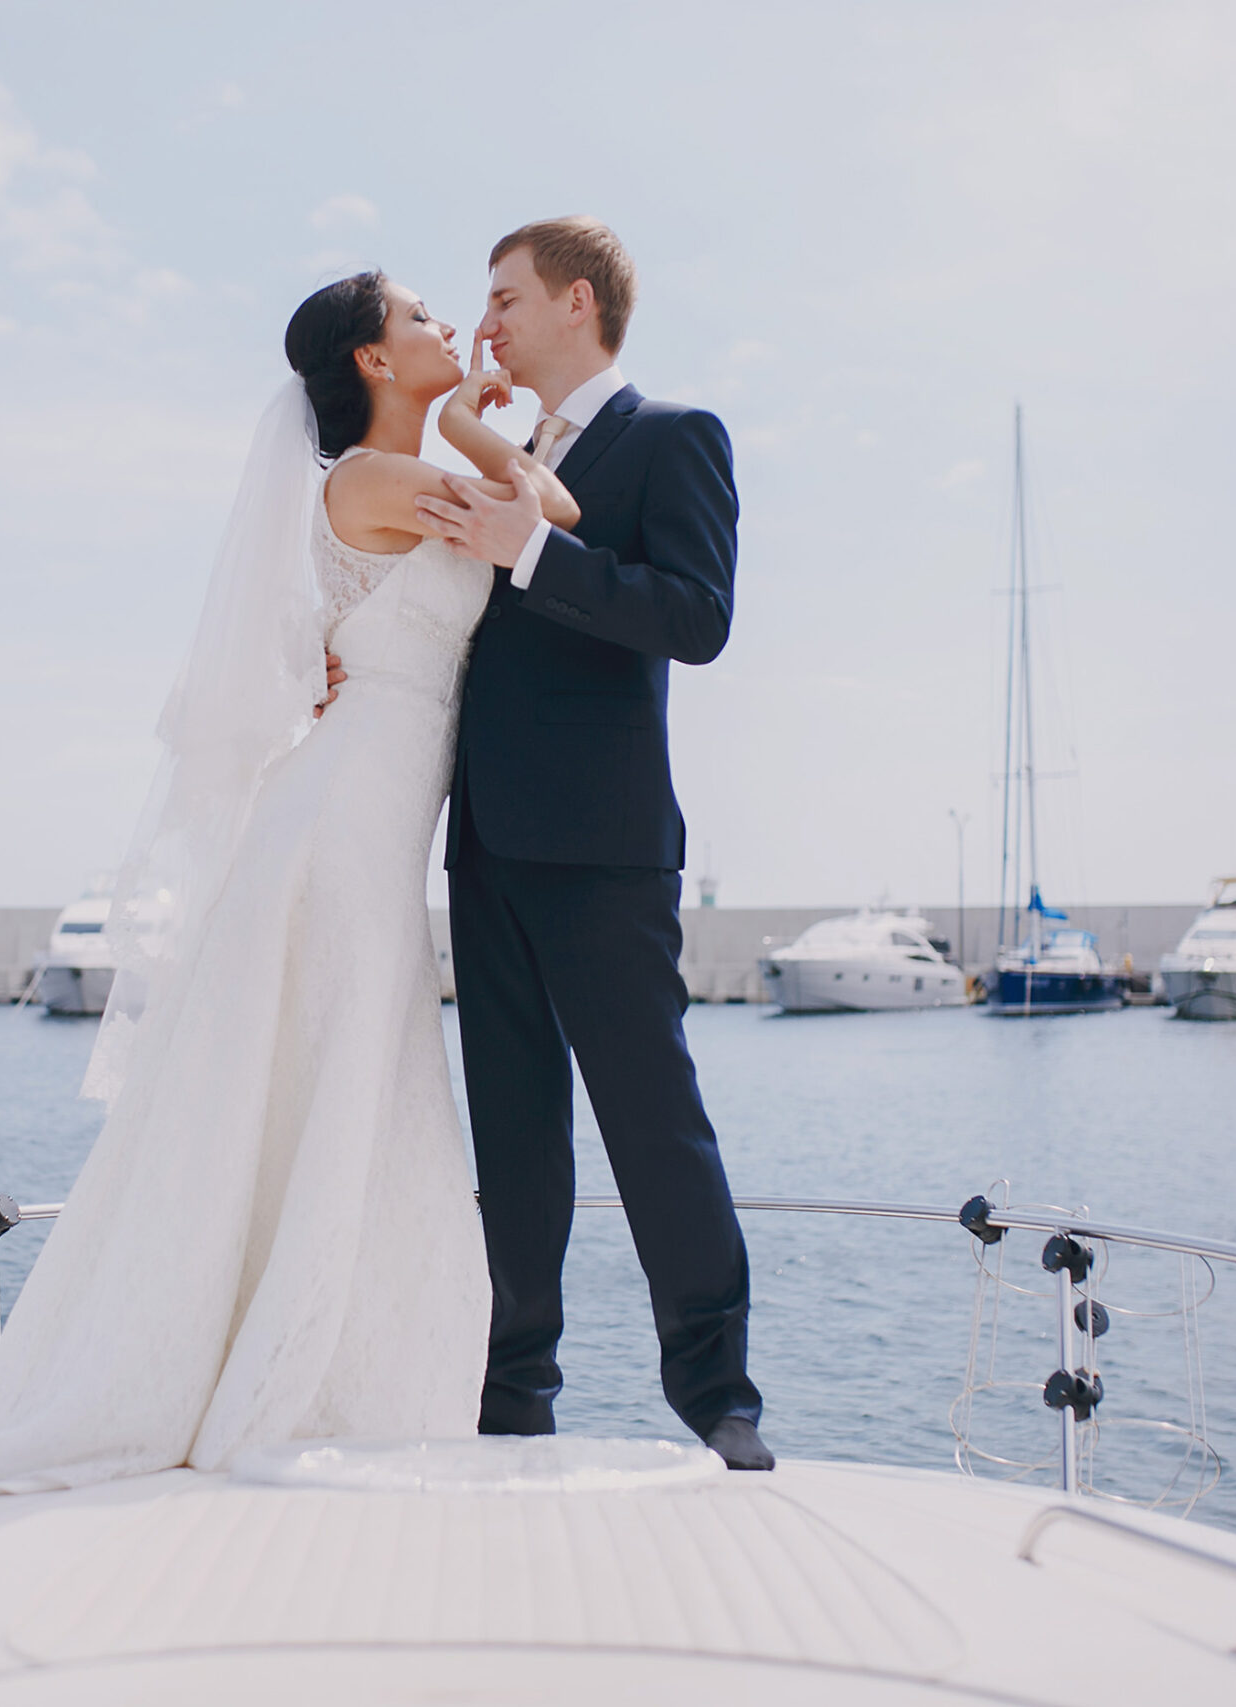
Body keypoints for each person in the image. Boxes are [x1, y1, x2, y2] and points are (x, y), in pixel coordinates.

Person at [0, 272, 573, 1498]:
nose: (447, 328)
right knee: (346, 1074)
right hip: (342, 822)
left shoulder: (383, 475)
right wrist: (487, 421)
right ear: (374, 363)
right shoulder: (373, 478)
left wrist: (476, 425)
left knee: (347, 1078)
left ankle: (318, 1349)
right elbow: (549, 509)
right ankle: (283, 1366)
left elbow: (526, 522)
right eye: (423, 318)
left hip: (370, 811)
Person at [411, 217, 772, 1470]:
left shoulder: (674, 438)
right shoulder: (507, 450)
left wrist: (535, 555)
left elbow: (697, 615)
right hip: (487, 844)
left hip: (607, 846)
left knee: (651, 1119)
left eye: (505, 298)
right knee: (512, 1133)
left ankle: (719, 1393)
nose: (489, 321)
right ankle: (512, 1391)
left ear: (576, 303)